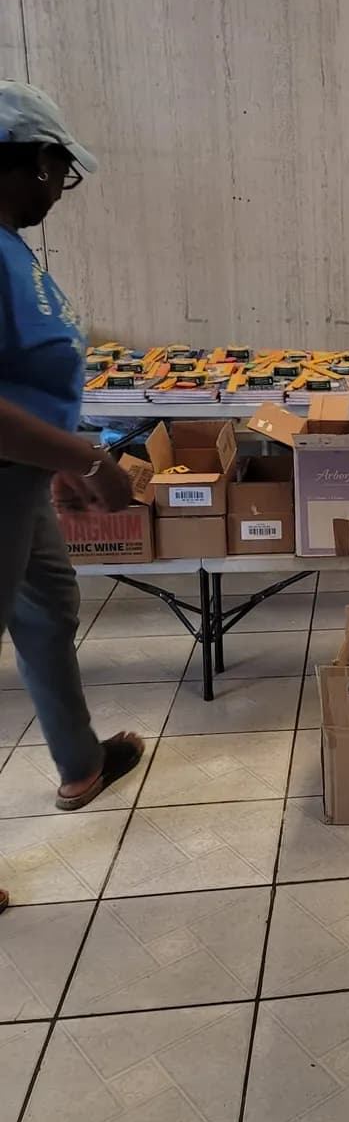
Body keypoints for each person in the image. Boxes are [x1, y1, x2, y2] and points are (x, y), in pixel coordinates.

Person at [0, 83, 144, 894]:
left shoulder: (11, 245)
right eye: (59, 170)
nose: (61, 187)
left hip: (22, 474)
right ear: (28, 161)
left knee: (48, 609)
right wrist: (85, 459)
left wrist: (55, 457)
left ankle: (80, 764)